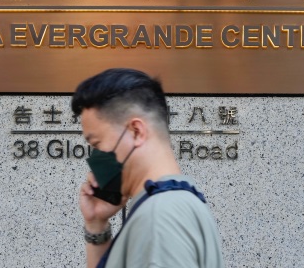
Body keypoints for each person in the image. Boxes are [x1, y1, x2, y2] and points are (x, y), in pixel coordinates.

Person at [72, 68, 225, 268]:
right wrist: (96, 224)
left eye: (96, 144)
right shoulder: (179, 201)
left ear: (136, 132)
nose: (96, 156)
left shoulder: (160, 216)